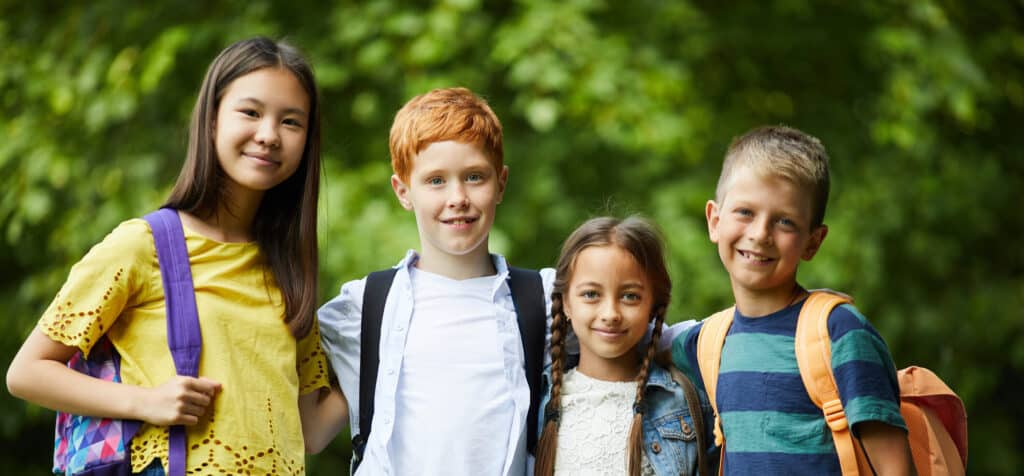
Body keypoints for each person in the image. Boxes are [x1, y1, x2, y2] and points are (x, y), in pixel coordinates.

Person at [6, 37, 345, 475]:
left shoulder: (286, 269)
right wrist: (146, 401)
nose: (268, 135)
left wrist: (396, 349)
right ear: (211, 121)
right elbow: (27, 372)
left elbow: (312, 429)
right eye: (250, 112)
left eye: (291, 122)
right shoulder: (144, 246)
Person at [671, 125, 914, 475]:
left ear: (813, 242)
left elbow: (895, 469)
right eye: (745, 212)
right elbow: (633, 348)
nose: (760, 234)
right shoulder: (705, 342)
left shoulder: (840, 332)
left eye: (784, 221)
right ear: (714, 220)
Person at [534, 216, 714, 476]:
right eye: (591, 294)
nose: (610, 314)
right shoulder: (536, 403)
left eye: (630, 296)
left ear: (653, 306)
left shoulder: (683, 402)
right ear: (566, 303)